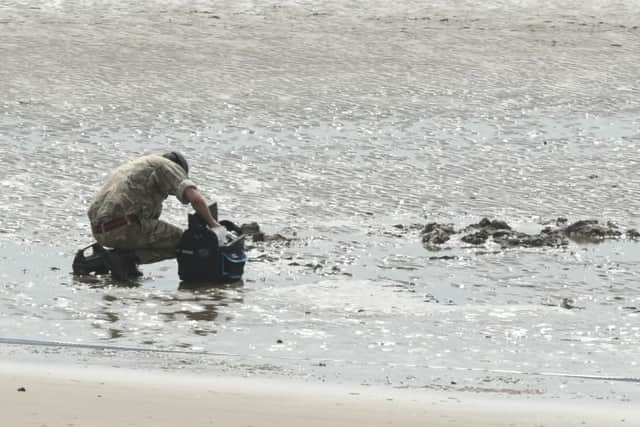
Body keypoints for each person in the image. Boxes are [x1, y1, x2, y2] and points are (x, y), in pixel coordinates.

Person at [87, 151, 230, 280]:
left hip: (99, 231)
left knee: (154, 233)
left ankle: (112, 261)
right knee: (185, 242)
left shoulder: (139, 166)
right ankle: (125, 260)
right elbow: (196, 199)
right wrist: (214, 225)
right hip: (123, 228)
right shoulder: (169, 167)